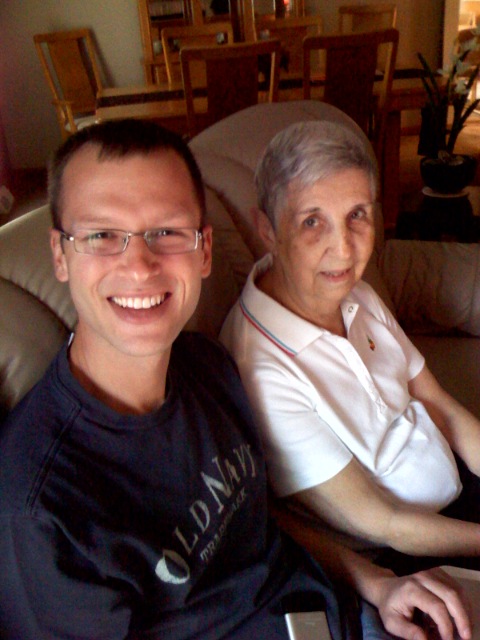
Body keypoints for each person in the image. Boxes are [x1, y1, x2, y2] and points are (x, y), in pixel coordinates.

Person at [0, 119, 470, 640]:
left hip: (354, 608)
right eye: (101, 235)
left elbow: (263, 518)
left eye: (166, 232)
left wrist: (379, 585)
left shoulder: (207, 367)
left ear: (204, 250)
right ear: (60, 255)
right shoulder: (39, 508)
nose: (138, 265)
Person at [220, 120, 480, 635]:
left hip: (455, 494)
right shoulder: (262, 367)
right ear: (266, 228)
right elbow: (384, 522)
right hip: (402, 551)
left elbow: (439, 404)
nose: (344, 248)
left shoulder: (354, 295)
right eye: (311, 221)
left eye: (357, 215)